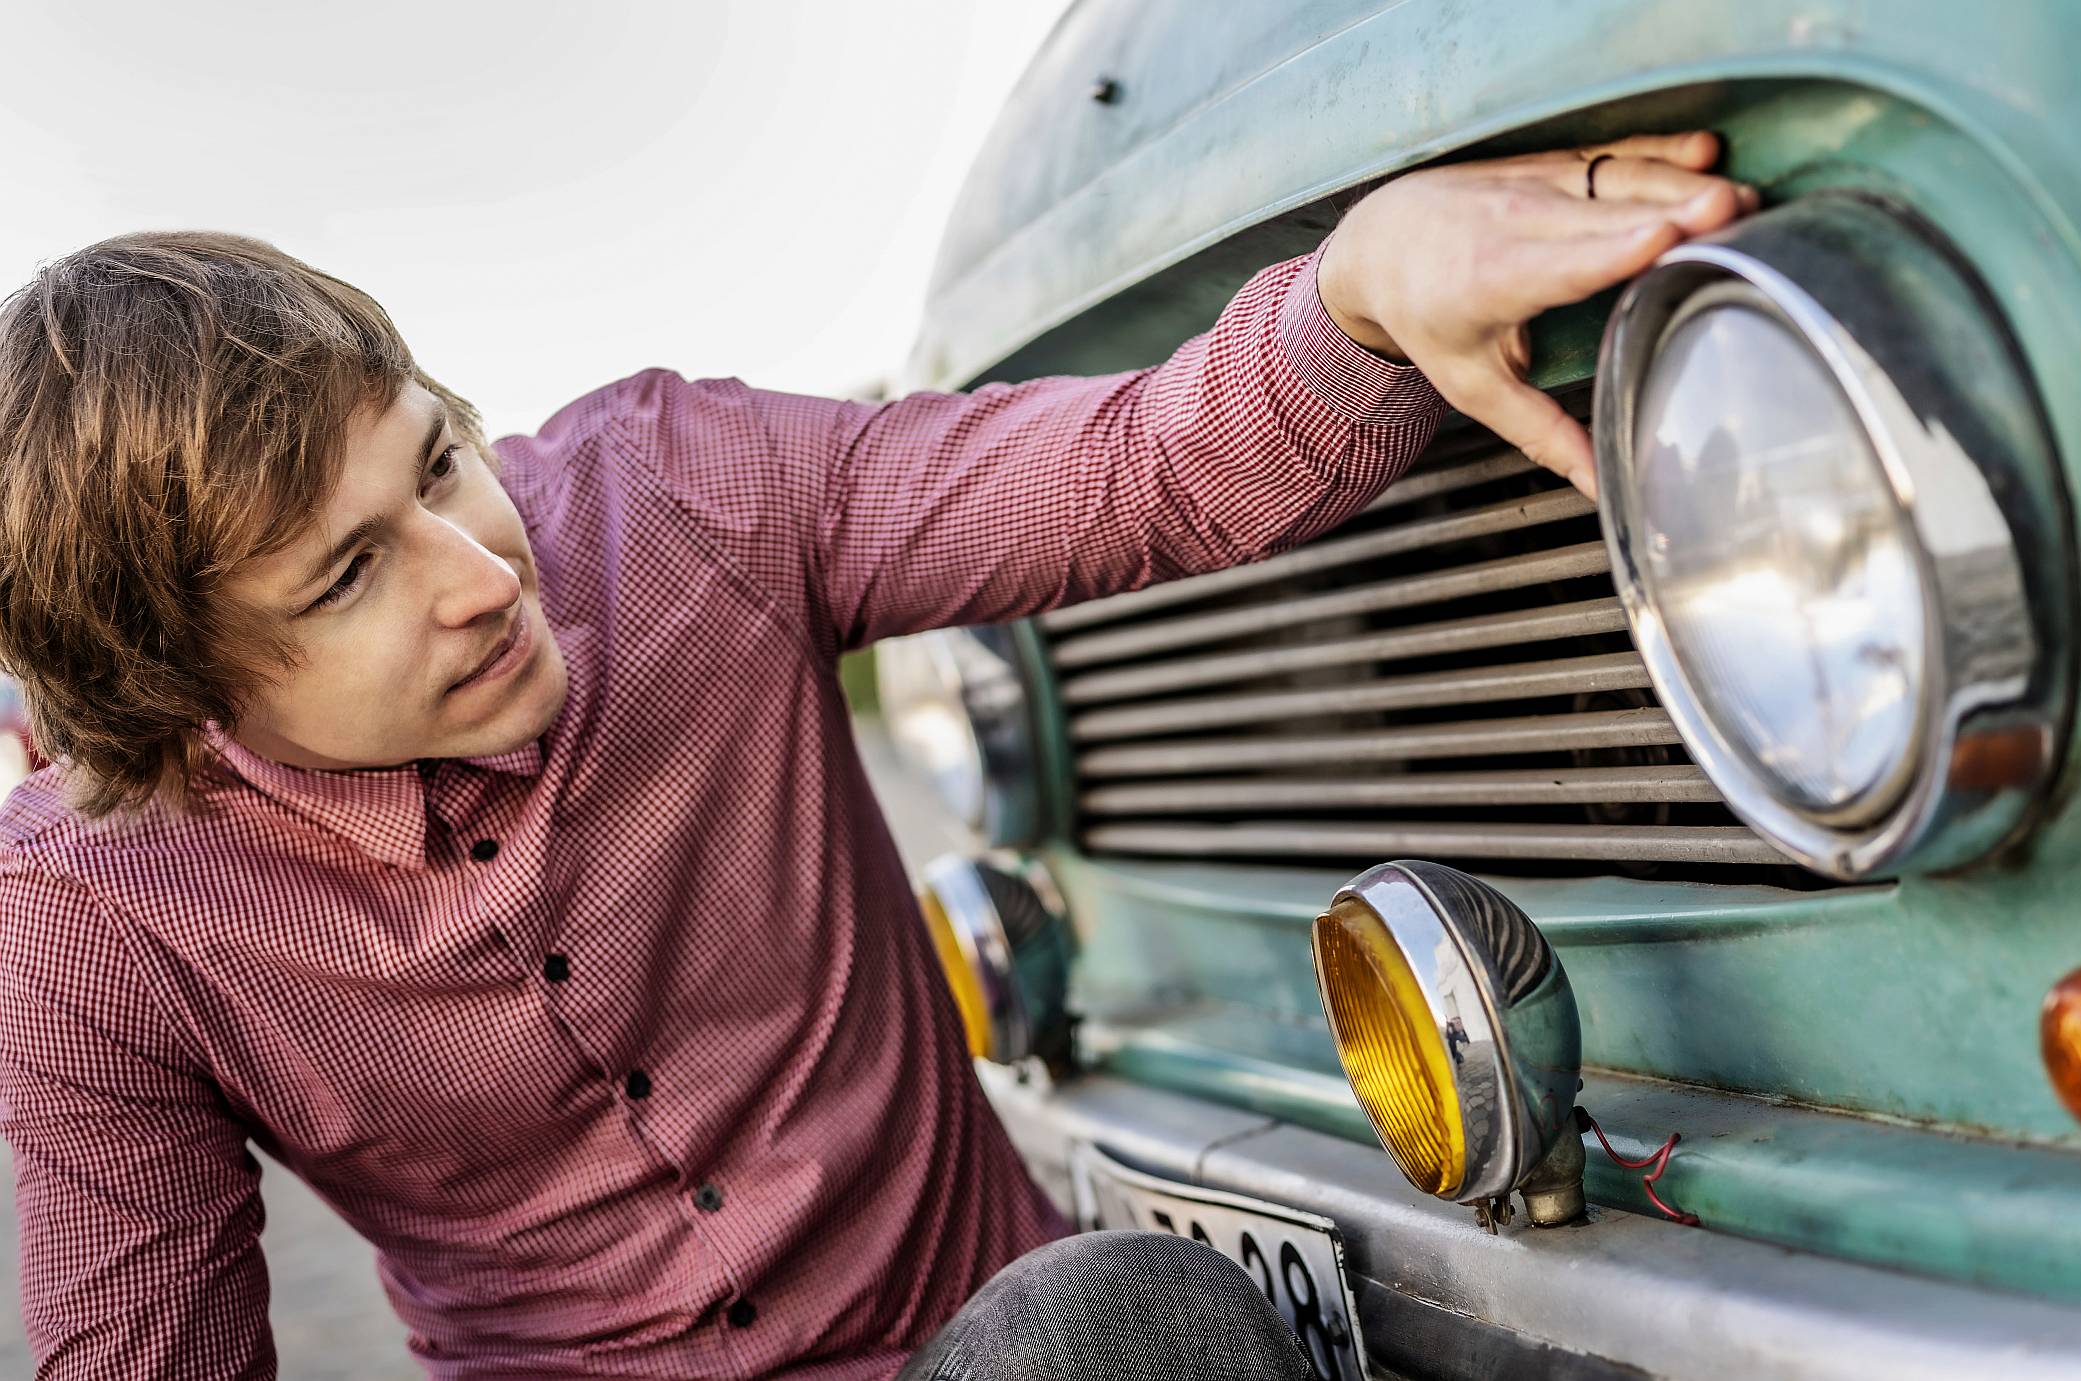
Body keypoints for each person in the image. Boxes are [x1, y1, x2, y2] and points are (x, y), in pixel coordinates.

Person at [0, 132, 1751, 1378]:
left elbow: (1133, 465)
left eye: (436, 462)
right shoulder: (92, 919)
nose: (480, 576)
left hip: (996, 1350)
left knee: (1118, 1322)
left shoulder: (675, 491)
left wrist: (1359, 291)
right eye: (349, 575)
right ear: (179, 696)